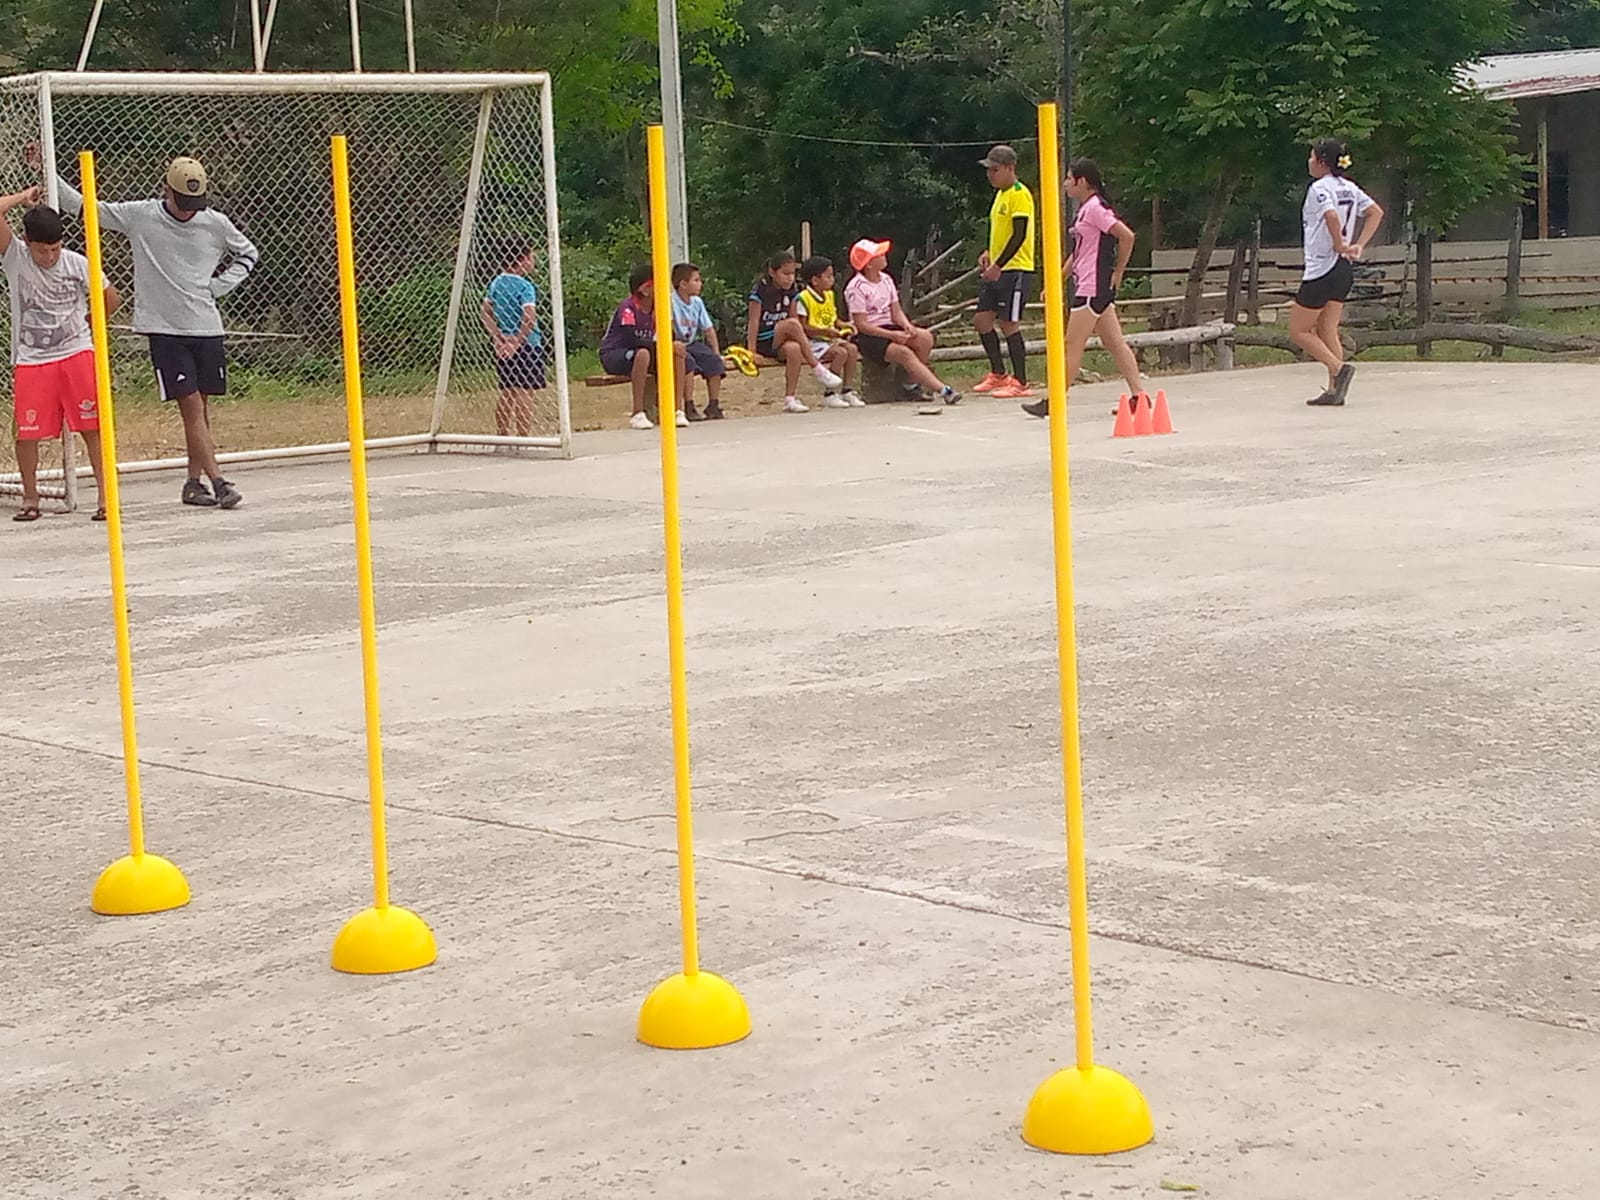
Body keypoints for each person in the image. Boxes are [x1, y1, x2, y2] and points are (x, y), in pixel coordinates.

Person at [48, 151, 258, 509]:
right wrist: (46, 168)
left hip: (205, 327)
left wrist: (217, 286)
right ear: (167, 190)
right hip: (165, 330)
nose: (189, 211)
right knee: (190, 406)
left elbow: (248, 253)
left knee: (201, 409)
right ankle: (219, 481)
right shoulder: (142, 216)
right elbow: (84, 208)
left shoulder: (215, 223)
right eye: (182, 201)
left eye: (194, 202)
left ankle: (193, 482)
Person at [2, 191, 119, 522]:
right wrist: (23, 197)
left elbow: (111, 298)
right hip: (33, 358)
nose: (50, 256)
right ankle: (30, 498)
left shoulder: (76, 263)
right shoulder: (15, 256)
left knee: (93, 425)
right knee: (27, 431)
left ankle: (106, 496)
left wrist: (88, 323)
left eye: (55, 249)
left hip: (75, 351)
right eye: (42, 250)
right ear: (28, 242)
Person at [1021, 159, 1146, 421]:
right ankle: (1139, 397)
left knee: (1071, 344)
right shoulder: (1085, 210)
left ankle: (1054, 400)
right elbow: (1079, 253)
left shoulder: (1096, 208)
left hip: (1092, 287)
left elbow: (1126, 235)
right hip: (1092, 286)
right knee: (1115, 343)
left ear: (1083, 181)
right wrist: (1056, 281)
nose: (1066, 183)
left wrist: (1118, 272)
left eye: (1069, 178)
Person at [1291, 139, 1384, 407]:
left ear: (1322, 162)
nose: (1309, 162)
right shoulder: (1349, 187)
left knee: (1298, 330)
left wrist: (1339, 243)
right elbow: (1375, 212)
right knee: (1327, 328)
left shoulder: (1319, 188)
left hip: (1322, 268)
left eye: (1312, 157)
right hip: (1343, 268)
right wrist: (1358, 245)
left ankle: (1338, 368)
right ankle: (1334, 390)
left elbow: (1331, 216)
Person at [843, 238, 961, 406]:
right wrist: (892, 335)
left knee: (925, 338)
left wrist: (906, 325)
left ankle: (911, 384)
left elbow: (896, 311)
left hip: (889, 326)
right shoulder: (856, 287)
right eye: (879, 255)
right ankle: (943, 390)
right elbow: (861, 324)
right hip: (868, 335)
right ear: (868, 264)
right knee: (904, 353)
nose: (884, 256)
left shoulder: (886, 279)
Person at [973, 145, 1037, 400]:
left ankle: (1021, 380)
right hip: (997, 266)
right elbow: (1001, 231)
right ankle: (998, 372)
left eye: (995, 170)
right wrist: (989, 252)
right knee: (982, 320)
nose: (990, 175)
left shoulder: (1019, 195)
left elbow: (1019, 234)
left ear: (1010, 168)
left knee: (1009, 323)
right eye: (989, 170)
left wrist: (999, 264)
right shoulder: (1000, 195)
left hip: (1015, 268)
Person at [746, 251, 842, 414]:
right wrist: (752, 351)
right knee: (791, 324)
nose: (790, 278)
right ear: (772, 272)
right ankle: (817, 368)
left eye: (792, 274)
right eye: (785, 274)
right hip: (765, 339)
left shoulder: (792, 291)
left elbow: (794, 320)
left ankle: (790, 398)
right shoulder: (761, 291)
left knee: (794, 349)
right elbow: (753, 322)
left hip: (782, 340)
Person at [599, 263, 688, 430]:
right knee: (643, 354)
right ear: (646, 289)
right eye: (658, 284)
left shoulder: (658, 308)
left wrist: (672, 344)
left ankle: (676, 410)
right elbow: (631, 338)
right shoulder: (628, 307)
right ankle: (637, 413)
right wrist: (663, 346)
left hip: (643, 349)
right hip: (616, 353)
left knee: (677, 351)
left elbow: (669, 335)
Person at [478, 238, 546, 439]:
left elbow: (485, 311)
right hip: (527, 345)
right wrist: (518, 340)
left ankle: (502, 432)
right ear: (523, 259)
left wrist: (497, 337)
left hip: (504, 345)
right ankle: (524, 435)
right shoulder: (525, 286)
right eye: (531, 256)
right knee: (525, 391)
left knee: (507, 390)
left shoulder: (497, 283)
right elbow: (529, 317)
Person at [793, 255, 863, 409]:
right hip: (813, 341)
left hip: (828, 339)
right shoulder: (804, 298)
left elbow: (833, 319)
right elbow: (802, 327)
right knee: (840, 353)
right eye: (828, 276)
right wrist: (825, 331)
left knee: (852, 349)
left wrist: (845, 325)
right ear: (815, 280)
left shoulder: (829, 295)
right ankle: (829, 393)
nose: (832, 280)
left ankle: (847, 390)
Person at [670, 262, 725, 421]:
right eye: (696, 280)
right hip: (677, 345)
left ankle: (713, 405)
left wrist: (716, 352)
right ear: (683, 284)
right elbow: (669, 326)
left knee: (714, 361)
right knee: (688, 363)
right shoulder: (671, 302)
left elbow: (708, 329)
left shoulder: (697, 302)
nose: (700, 284)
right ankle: (689, 405)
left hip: (691, 343)